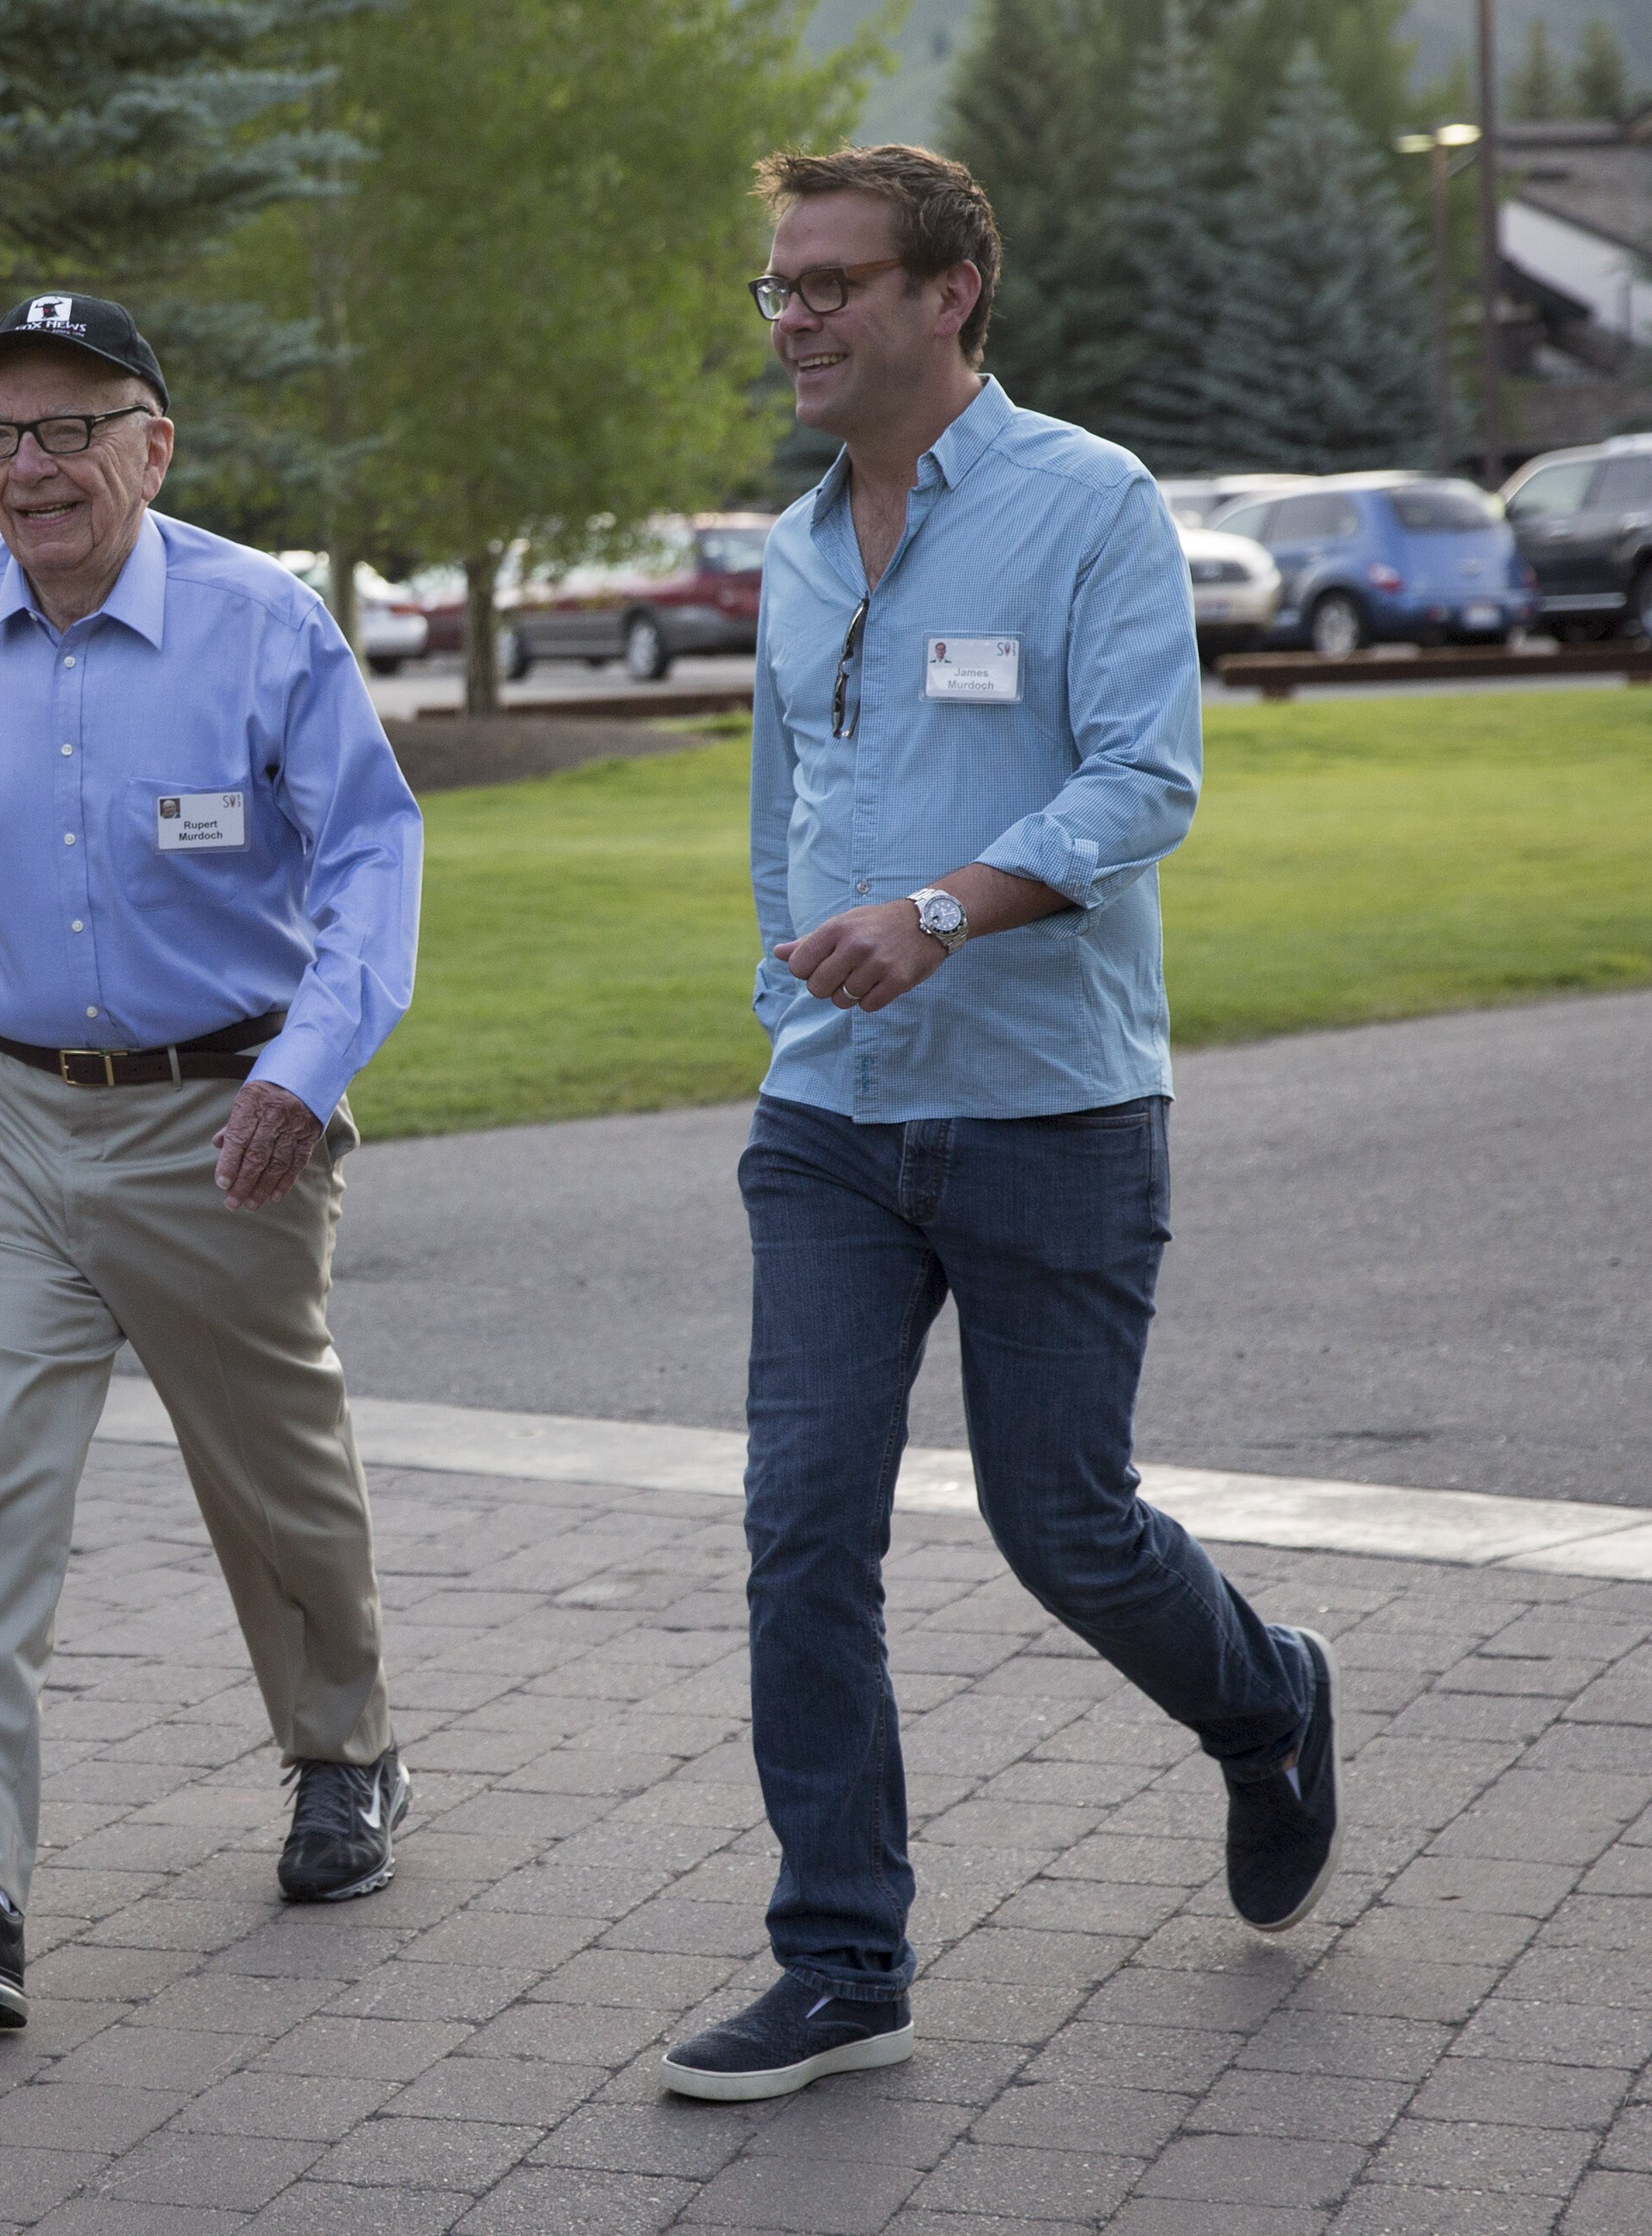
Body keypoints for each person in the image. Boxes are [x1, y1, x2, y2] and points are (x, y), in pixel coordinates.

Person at [659, 148, 1340, 2105]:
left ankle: (1265, 1698)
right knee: (799, 1529)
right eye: (776, 285)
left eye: (829, 284)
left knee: (1064, 1529)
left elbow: (1144, 779)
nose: (791, 318)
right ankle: (839, 1957)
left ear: (948, 293)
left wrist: (940, 911)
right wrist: (792, 989)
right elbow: (787, 805)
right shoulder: (793, 547)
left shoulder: (1084, 505)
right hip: (830, 1126)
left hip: (1049, 1111)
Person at [0, 293, 426, 2030]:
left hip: (224, 1122)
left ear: (154, 443)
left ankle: (340, 1749)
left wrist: (303, 1070)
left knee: (268, 1475)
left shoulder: (258, 624)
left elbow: (371, 856)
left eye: (73, 427)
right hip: (6, 1122)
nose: (31, 465)